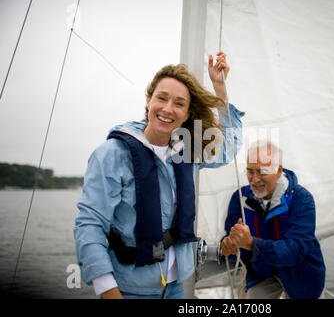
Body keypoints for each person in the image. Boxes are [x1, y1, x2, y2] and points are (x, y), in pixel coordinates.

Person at [74, 52, 244, 299]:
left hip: (176, 286)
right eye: (161, 98)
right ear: (148, 100)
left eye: (179, 103)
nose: (167, 109)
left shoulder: (187, 151)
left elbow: (229, 146)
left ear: (187, 113)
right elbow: (89, 225)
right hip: (130, 290)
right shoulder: (112, 154)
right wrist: (107, 289)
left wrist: (220, 88)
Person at [221, 141, 326, 299]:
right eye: (250, 171)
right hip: (262, 275)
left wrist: (250, 244)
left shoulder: (301, 199)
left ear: (278, 171)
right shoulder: (240, 198)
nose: (254, 179)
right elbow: (233, 239)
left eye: (262, 172)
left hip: (301, 276)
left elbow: (294, 250)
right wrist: (229, 244)